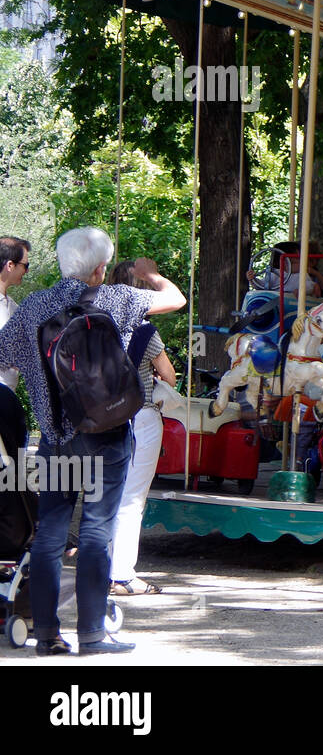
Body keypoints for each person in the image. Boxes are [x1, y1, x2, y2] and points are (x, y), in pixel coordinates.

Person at [0, 227, 185, 655]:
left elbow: (4, 356)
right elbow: (176, 299)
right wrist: (150, 275)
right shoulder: (117, 299)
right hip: (107, 436)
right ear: (101, 269)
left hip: (55, 439)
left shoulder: (33, 306)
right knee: (98, 531)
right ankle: (92, 635)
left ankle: (46, 635)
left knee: (49, 535)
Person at [106, 261, 176, 596]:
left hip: (103, 417)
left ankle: (101, 567)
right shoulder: (145, 331)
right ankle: (121, 575)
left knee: (105, 493)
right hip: (140, 416)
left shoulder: (97, 325)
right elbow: (169, 375)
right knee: (132, 498)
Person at [0, 237, 30, 453]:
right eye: (25, 266)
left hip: (7, 397)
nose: (26, 272)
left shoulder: (14, 308)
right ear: (10, 265)